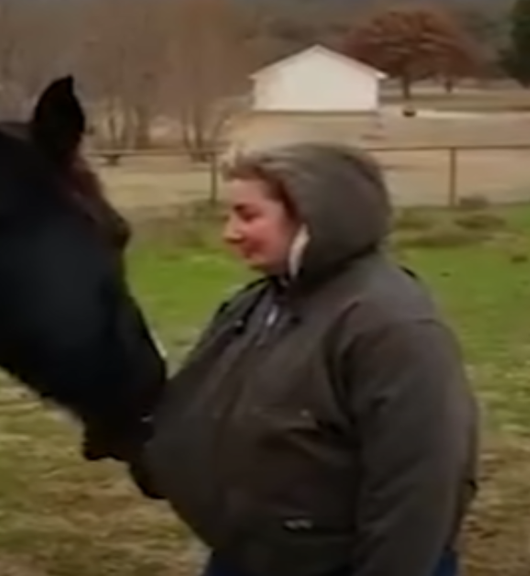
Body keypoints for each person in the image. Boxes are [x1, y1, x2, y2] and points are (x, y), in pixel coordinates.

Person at [137, 141, 480, 576]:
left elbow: (421, 485)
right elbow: (194, 409)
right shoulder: (260, 302)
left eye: (248, 215)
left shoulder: (390, 325)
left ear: (313, 215)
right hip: (254, 556)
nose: (230, 233)